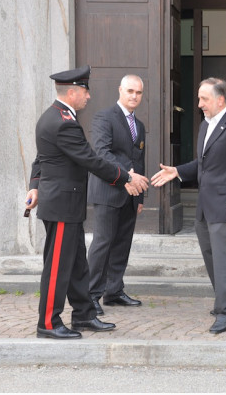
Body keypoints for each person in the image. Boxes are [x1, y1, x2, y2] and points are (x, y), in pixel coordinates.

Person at [25, 65, 148, 339]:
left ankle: (83, 315)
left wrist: (34, 186)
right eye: (85, 92)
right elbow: (90, 159)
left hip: (67, 206)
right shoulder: (61, 122)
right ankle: (47, 323)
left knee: (79, 265)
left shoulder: (60, 116)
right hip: (61, 207)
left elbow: (41, 159)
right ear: (72, 92)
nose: (88, 97)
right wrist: (125, 177)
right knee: (57, 268)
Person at [151, 77, 226, 334]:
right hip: (204, 205)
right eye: (199, 98)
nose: (199, 104)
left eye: (204, 99)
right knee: (210, 256)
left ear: (221, 100)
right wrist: (177, 171)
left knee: (222, 259)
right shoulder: (205, 126)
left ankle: (225, 313)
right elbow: (203, 164)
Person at [87, 75, 147, 315]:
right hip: (108, 191)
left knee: (122, 244)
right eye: (130, 91)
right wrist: (127, 177)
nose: (134, 96)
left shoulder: (139, 125)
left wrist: (139, 197)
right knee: (102, 244)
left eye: (139, 93)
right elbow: (102, 153)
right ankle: (90, 295)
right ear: (120, 89)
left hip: (131, 196)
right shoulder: (104, 117)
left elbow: (138, 160)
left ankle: (114, 291)